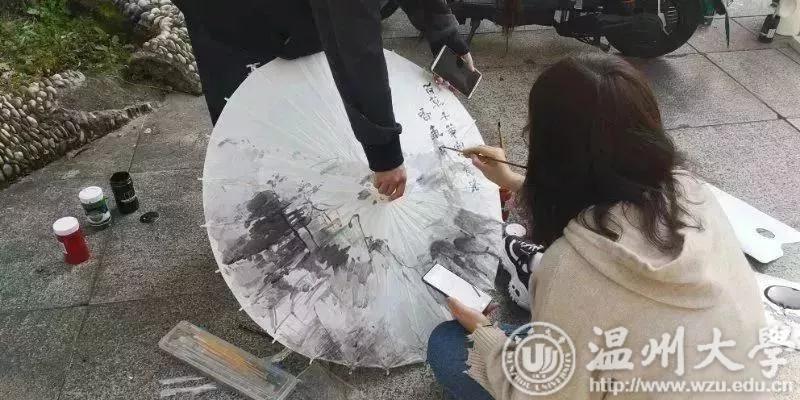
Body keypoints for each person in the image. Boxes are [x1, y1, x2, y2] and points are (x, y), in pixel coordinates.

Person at [427, 53, 768, 399]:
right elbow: (603, 189)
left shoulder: (569, 269)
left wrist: (485, 333)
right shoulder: (690, 190)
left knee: (446, 344)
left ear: (553, 153)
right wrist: (514, 180)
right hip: (733, 377)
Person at [173, 0, 474, 200]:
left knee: (317, 104)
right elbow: (353, 38)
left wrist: (446, 37)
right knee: (254, 137)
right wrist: (385, 153)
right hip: (229, 16)